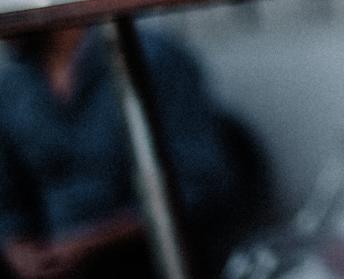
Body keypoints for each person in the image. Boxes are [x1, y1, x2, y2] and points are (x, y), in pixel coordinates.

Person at [0, 25, 248, 279]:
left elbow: (202, 183)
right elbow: (7, 194)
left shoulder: (149, 58)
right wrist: (15, 246)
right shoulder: (13, 85)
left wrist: (90, 243)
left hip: (149, 258)